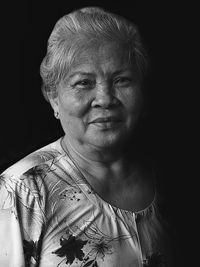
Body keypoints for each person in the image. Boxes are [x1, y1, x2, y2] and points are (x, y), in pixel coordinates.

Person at [0, 7, 171, 267]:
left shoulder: (174, 173)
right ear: (54, 97)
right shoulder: (21, 191)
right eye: (83, 83)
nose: (104, 99)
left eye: (122, 80)